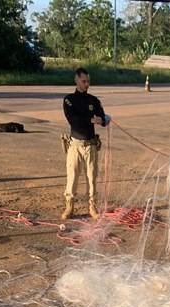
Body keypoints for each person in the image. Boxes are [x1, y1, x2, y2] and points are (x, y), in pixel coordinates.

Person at [61, 68, 111, 220]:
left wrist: (102, 120)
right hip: (75, 144)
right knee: (73, 176)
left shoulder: (94, 100)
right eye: (84, 81)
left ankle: (92, 206)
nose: (87, 84)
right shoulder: (69, 100)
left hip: (90, 145)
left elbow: (102, 118)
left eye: (88, 81)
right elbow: (73, 120)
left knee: (92, 177)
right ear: (76, 80)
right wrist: (90, 119)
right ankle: (69, 205)